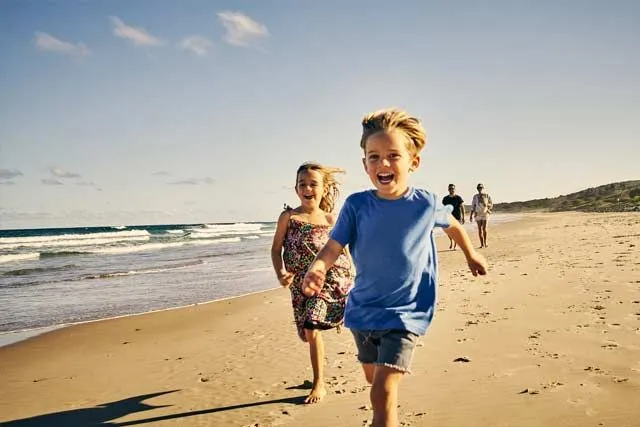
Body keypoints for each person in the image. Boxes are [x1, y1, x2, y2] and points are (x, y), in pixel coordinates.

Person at [301, 108, 488, 427]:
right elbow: (334, 246)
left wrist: (471, 254)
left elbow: (453, 224)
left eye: (392, 155)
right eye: (373, 157)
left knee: (383, 391)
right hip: (363, 312)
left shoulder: (425, 203)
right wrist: (318, 266)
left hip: (406, 313)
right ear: (364, 164)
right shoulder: (357, 205)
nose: (382, 164)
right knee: (373, 378)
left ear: (413, 162)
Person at [270, 162, 354, 404]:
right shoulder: (289, 217)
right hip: (300, 286)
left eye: (313, 184)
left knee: (312, 326)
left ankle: (319, 383)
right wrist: (281, 273)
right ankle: (318, 374)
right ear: (296, 189)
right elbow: (276, 250)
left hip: (330, 280)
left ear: (324, 188)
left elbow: (344, 251)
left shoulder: (330, 219)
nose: (308, 188)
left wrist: (354, 274)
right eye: (302, 184)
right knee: (307, 334)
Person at [469, 183, 493, 248]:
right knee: (479, 229)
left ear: (483, 188)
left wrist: (486, 205)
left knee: (484, 228)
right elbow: (473, 206)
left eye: (481, 187)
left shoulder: (486, 195)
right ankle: (481, 244)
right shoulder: (475, 196)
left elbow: (491, 204)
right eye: (479, 188)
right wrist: (471, 215)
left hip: (485, 213)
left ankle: (485, 242)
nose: (480, 189)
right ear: (477, 189)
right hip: (478, 214)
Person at [442, 184, 465, 250]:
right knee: (449, 231)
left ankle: (455, 244)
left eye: (452, 188)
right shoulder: (445, 198)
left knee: (456, 232)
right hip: (448, 217)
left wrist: (463, 217)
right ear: (448, 189)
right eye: (450, 188)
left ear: (455, 189)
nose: (451, 190)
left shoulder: (458, 198)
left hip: (457, 217)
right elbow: (443, 208)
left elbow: (462, 207)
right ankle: (451, 241)